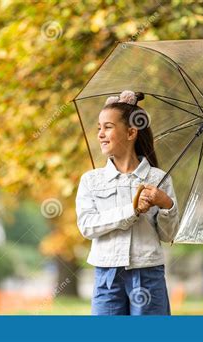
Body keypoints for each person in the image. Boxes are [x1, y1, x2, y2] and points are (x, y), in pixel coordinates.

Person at [75, 90, 180, 315]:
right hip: (107, 275)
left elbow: (168, 235)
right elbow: (87, 226)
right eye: (99, 128)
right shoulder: (91, 181)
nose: (101, 134)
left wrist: (166, 204)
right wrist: (131, 210)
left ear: (131, 132)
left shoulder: (158, 179)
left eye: (108, 127)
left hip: (148, 273)